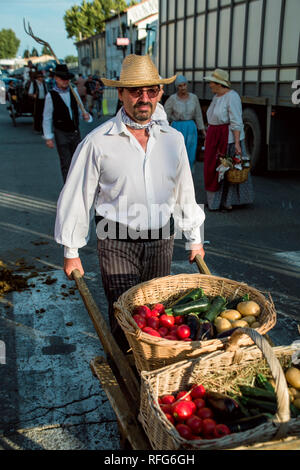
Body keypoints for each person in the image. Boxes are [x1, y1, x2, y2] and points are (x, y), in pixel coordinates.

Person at [54, 54, 205, 352]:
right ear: (121, 93)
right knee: (126, 316)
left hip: (161, 238)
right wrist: (71, 251)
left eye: (151, 91)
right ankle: (124, 374)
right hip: (117, 239)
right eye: (136, 91)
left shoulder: (172, 140)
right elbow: (77, 196)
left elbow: (185, 192)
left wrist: (194, 239)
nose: (144, 99)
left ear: (161, 93)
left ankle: (150, 377)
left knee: (157, 316)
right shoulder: (98, 142)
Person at [203, 68, 254, 211]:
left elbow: (236, 121)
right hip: (215, 136)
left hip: (228, 139)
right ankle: (214, 201)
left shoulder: (232, 97)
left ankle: (227, 202)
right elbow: (212, 119)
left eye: (212, 82)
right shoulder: (216, 97)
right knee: (212, 169)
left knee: (226, 171)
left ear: (219, 84)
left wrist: (237, 143)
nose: (210, 85)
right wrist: (208, 135)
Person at [42, 64, 92, 183]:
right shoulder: (51, 95)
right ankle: (68, 189)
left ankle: (78, 186)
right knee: (66, 162)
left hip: (75, 132)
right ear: (56, 79)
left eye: (67, 79)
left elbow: (80, 111)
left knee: (78, 161)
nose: (65, 81)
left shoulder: (73, 92)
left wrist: (86, 116)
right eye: (62, 78)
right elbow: (47, 117)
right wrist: (48, 137)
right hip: (61, 132)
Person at [164, 75, 206, 169]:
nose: (183, 88)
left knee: (190, 154)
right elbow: (165, 114)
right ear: (176, 87)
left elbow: (198, 115)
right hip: (177, 127)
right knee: (177, 154)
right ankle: (176, 177)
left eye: (184, 85)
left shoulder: (194, 98)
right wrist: (166, 128)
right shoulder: (172, 99)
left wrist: (203, 131)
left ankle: (188, 176)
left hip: (191, 128)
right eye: (180, 86)